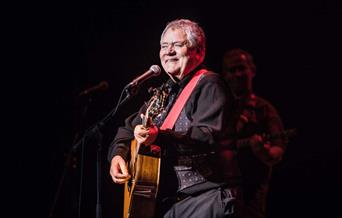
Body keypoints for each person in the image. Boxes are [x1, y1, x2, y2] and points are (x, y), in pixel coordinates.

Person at [108, 19, 242, 217]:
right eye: (164, 46)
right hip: (169, 204)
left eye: (177, 45)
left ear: (198, 51)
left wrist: (159, 137)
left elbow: (208, 136)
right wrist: (118, 154)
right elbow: (128, 129)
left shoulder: (210, 84)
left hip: (205, 200)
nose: (168, 51)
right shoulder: (164, 92)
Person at [221, 48, 287, 218]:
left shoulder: (264, 109)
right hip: (218, 191)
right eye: (232, 70)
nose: (237, 74)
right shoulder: (219, 108)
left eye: (241, 68)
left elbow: (277, 152)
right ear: (225, 75)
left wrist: (262, 151)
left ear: (252, 71)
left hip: (250, 196)